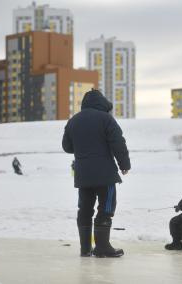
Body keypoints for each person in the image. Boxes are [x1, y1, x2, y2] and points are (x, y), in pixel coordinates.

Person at [62, 89, 131, 258]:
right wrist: (124, 164)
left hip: (83, 175)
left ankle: (85, 249)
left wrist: (83, 148)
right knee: (106, 207)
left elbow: (67, 147)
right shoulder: (106, 119)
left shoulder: (73, 121)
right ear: (101, 103)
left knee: (84, 209)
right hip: (105, 174)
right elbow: (118, 142)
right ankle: (102, 247)